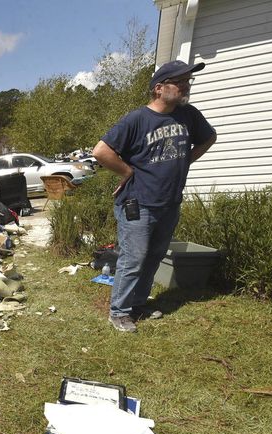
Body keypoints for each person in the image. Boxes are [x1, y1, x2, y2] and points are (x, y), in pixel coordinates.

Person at [92, 60, 217, 333]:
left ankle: (137, 305)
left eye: (188, 80)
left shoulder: (189, 115)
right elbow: (101, 151)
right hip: (138, 202)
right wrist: (127, 172)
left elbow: (209, 138)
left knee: (153, 257)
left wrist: (185, 161)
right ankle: (119, 312)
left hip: (169, 202)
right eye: (179, 81)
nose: (186, 86)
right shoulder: (137, 119)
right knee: (133, 259)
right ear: (159, 88)